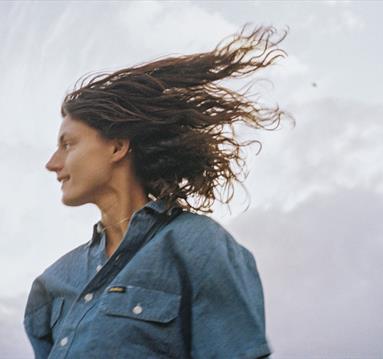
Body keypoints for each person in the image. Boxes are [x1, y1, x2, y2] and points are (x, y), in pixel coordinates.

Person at [24, 24, 291, 359]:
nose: (52, 163)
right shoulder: (52, 284)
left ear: (117, 147)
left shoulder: (198, 246)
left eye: (68, 144)